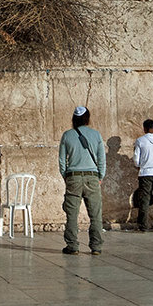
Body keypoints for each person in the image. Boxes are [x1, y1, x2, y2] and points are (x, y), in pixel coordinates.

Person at [59, 106, 106, 256]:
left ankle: (72, 245)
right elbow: (101, 159)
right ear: (88, 118)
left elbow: (62, 161)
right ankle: (96, 246)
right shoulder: (96, 135)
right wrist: (100, 176)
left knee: (72, 214)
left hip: (73, 176)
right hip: (92, 177)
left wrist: (66, 176)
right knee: (95, 214)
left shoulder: (67, 135)